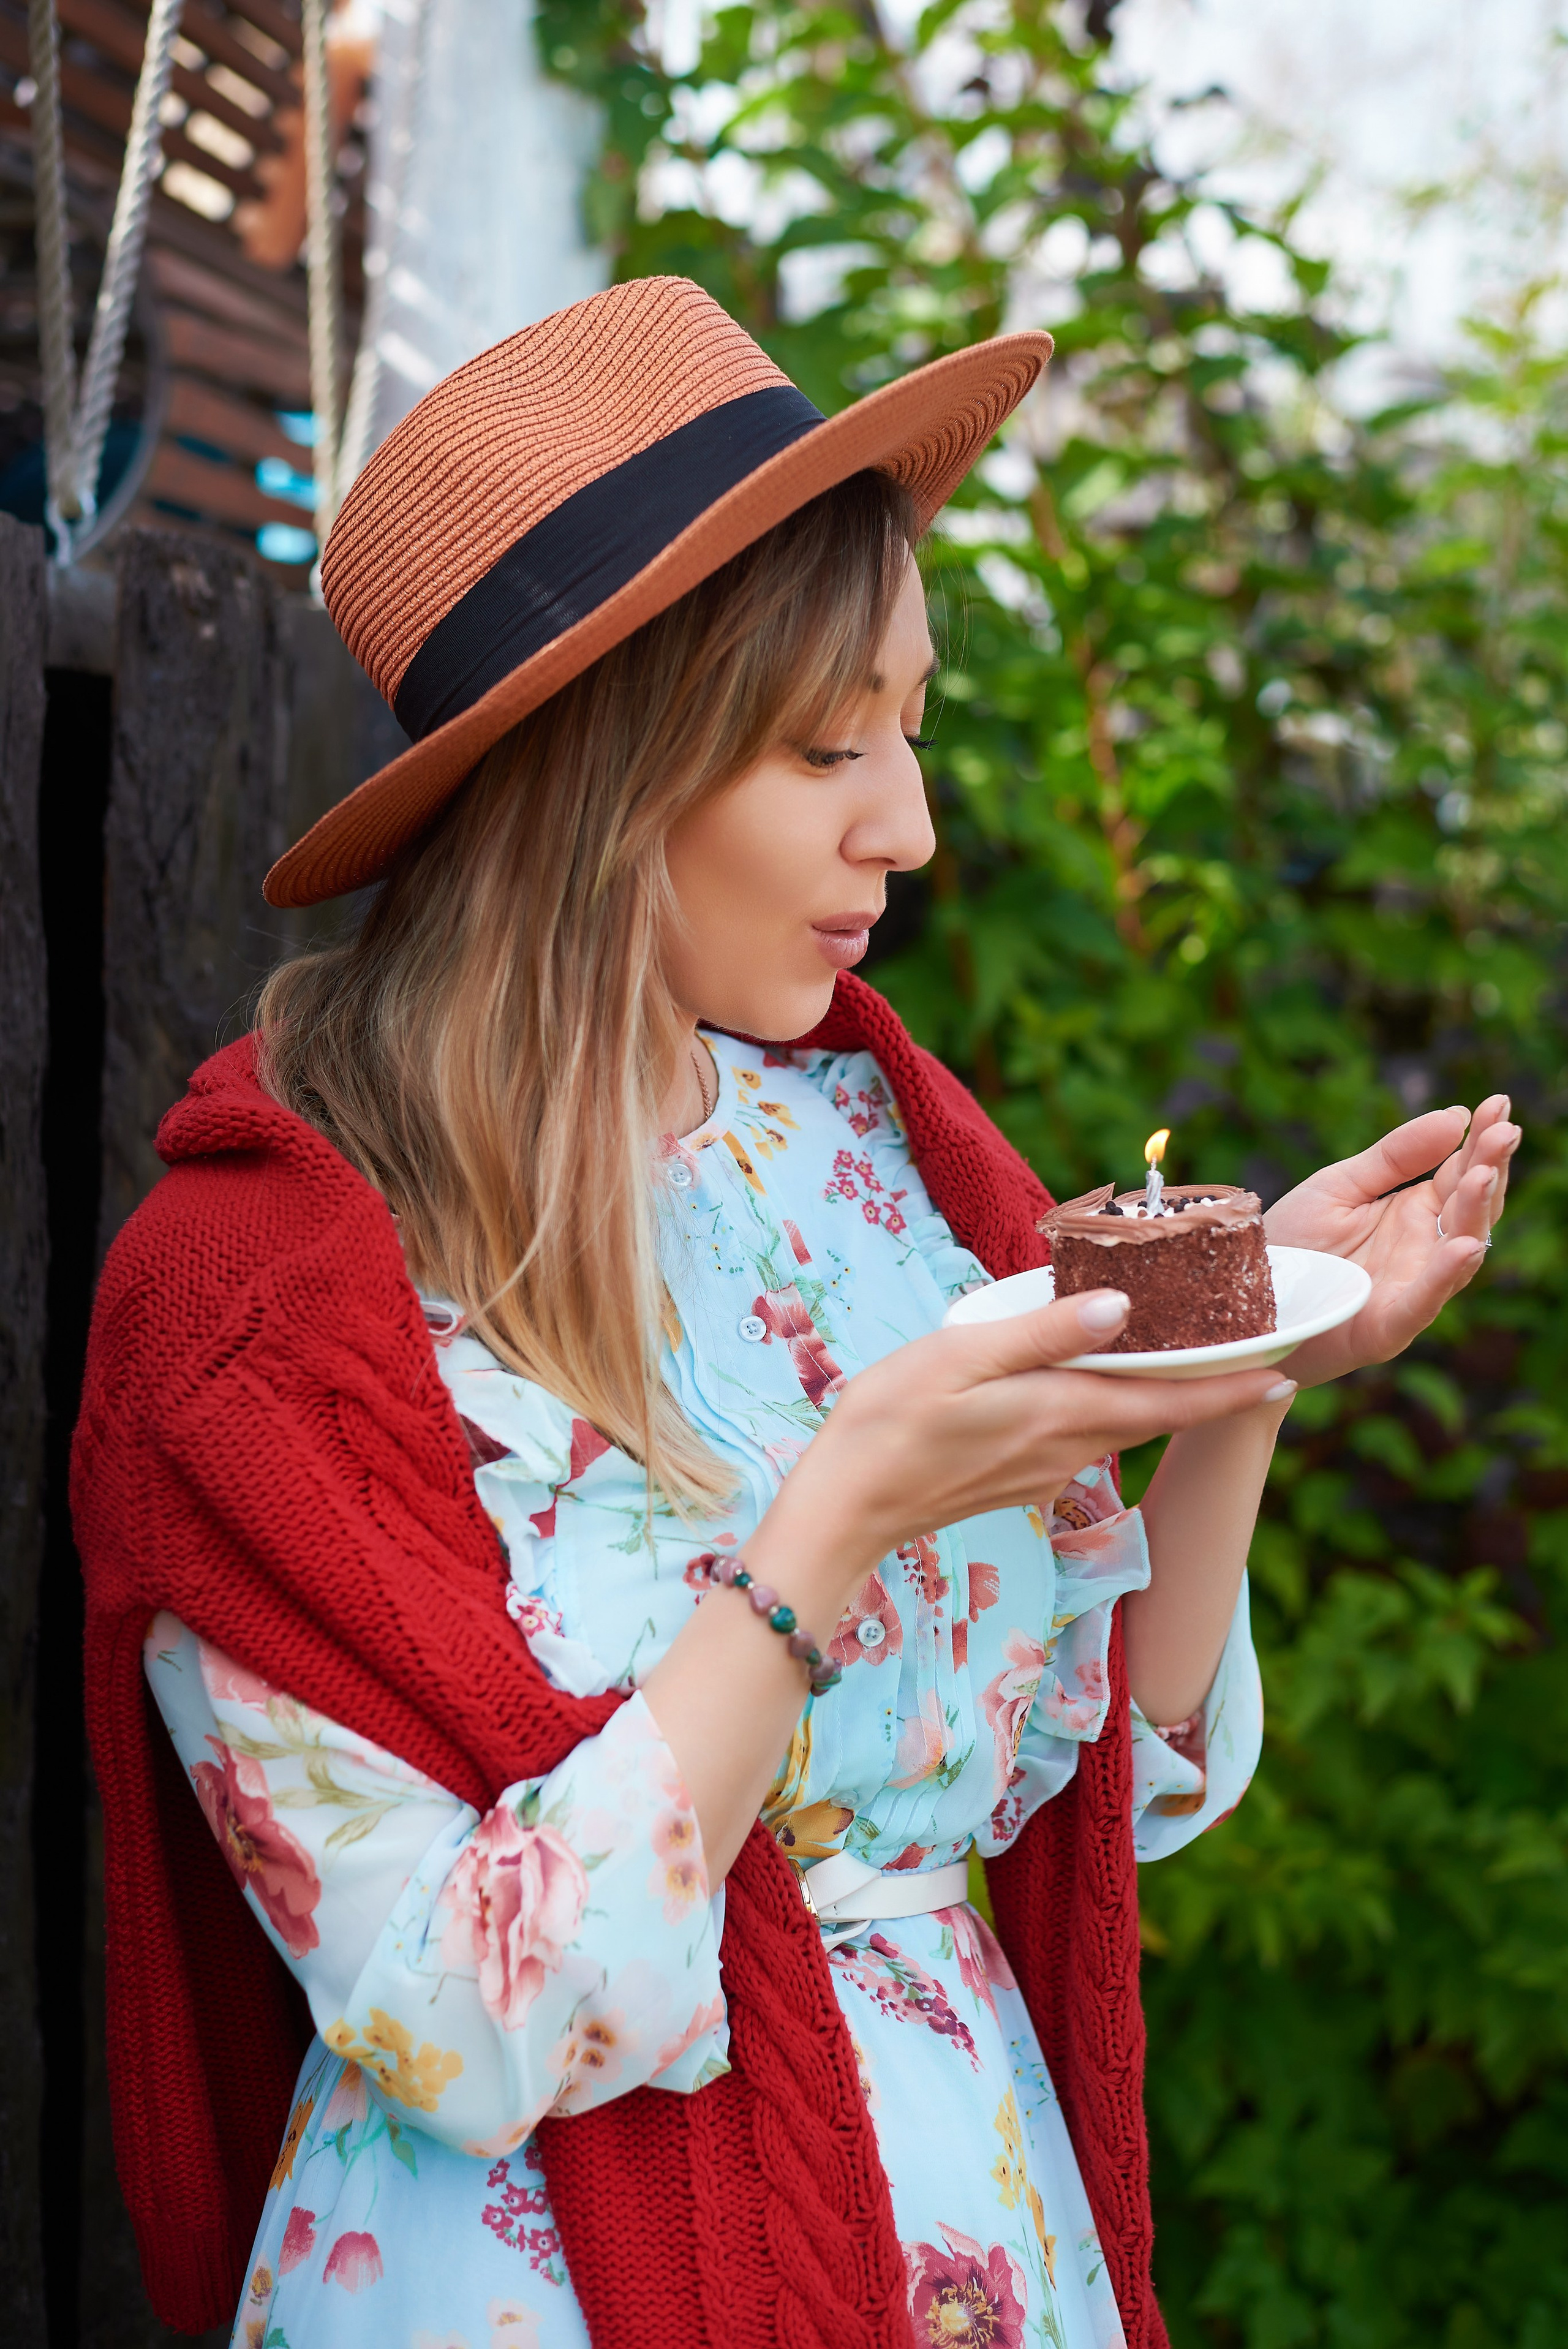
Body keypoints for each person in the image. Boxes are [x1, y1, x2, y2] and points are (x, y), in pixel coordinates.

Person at [74, 277, 1517, 2349]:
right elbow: (456, 2018)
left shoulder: (868, 1155)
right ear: (599, 769)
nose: (906, 826)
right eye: (828, 743)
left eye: (909, 727)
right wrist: (830, 1525)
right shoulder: (258, 1314)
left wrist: (1244, 1369)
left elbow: (1100, 1775)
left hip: (975, 2235)